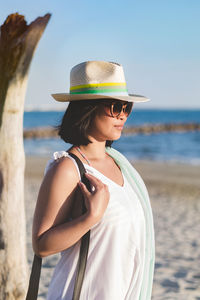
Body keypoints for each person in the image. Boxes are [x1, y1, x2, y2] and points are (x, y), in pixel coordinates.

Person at [32, 61, 155, 300]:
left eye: (127, 107)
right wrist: (91, 217)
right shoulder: (68, 168)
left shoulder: (121, 166)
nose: (123, 115)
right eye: (114, 106)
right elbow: (42, 245)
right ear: (88, 108)